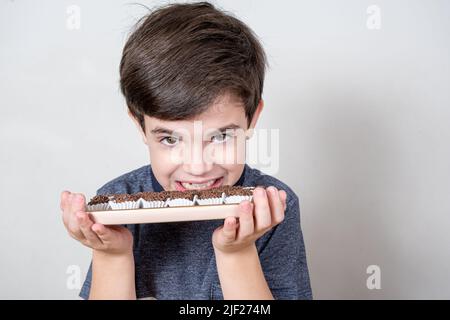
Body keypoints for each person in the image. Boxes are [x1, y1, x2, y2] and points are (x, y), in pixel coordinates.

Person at [60, 1, 312, 300]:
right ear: (141, 127)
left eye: (221, 136)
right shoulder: (116, 210)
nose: (197, 167)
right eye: (170, 139)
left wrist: (237, 253)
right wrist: (113, 256)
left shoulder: (272, 208)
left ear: (252, 119)